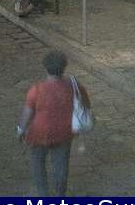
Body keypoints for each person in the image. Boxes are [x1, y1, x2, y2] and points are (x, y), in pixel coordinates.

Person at [17, 51, 90, 196]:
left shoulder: (36, 90)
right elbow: (86, 105)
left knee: (38, 164)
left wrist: (20, 130)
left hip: (39, 134)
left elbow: (27, 114)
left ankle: (43, 194)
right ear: (64, 67)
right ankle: (60, 195)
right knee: (61, 166)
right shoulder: (74, 86)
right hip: (64, 133)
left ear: (45, 67)